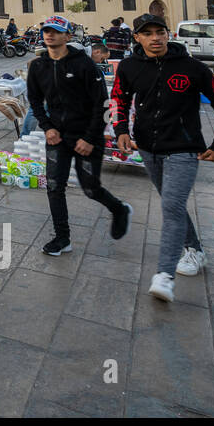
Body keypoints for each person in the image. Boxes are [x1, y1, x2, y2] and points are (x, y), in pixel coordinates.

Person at [112, 13, 214, 303]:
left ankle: (164, 275)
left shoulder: (193, 68)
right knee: (174, 205)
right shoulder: (129, 67)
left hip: (183, 148)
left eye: (160, 32)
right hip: (147, 147)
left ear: (168, 34)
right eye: (148, 33)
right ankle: (194, 249)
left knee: (170, 207)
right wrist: (121, 130)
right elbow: (119, 99)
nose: (155, 38)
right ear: (138, 38)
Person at [27, 15, 133, 256]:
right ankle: (62, 238)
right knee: (54, 186)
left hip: (86, 136)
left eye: (55, 31)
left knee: (90, 187)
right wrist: (46, 127)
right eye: (46, 31)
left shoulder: (84, 65)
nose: (49, 35)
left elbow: (103, 105)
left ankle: (119, 209)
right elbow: (34, 99)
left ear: (67, 36)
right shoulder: (38, 66)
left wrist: (89, 137)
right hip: (56, 136)